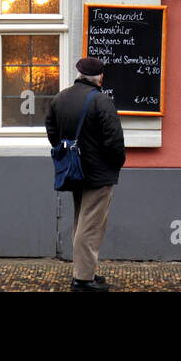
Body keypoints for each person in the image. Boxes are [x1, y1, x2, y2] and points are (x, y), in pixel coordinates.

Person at [45, 56, 126, 292]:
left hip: (73, 170)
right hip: (98, 174)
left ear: (79, 74)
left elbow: (51, 131)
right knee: (90, 225)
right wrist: (116, 163)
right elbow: (114, 141)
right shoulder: (102, 101)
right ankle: (82, 280)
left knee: (81, 220)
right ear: (99, 77)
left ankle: (86, 271)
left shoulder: (60, 98)